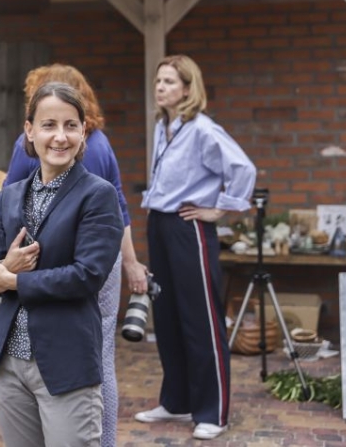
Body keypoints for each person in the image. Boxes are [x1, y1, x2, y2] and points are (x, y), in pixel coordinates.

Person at [3, 63, 146, 447]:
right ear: (31, 128)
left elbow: (108, 206)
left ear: (81, 125)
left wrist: (13, 277)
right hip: (91, 256)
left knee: (82, 349)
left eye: (69, 123)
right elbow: (123, 205)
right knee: (100, 351)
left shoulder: (80, 170)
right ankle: (104, 438)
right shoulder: (103, 142)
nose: (60, 135)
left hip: (64, 261)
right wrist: (130, 260)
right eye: (49, 123)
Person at [136, 54, 256, 441]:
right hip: (159, 223)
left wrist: (218, 209)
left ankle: (212, 412)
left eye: (169, 82)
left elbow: (243, 169)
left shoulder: (203, 129)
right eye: (158, 81)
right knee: (167, 316)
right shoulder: (163, 126)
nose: (160, 88)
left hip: (189, 228)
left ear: (188, 88)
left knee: (201, 319)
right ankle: (176, 400)